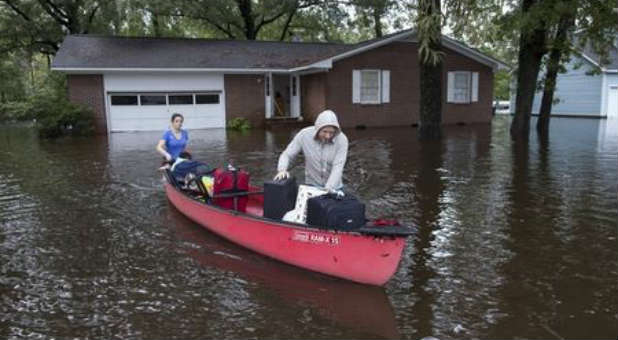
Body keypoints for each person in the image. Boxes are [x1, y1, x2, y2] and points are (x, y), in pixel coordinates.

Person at [274, 109, 348, 191]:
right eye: (325, 131)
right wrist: (282, 170)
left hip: (334, 188)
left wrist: (328, 189)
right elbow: (287, 155)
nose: (328, 136)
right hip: (311, 186)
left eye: (331, 132)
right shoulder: (304, 135)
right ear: (318, 129)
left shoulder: (342, 140)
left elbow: (338, 167)